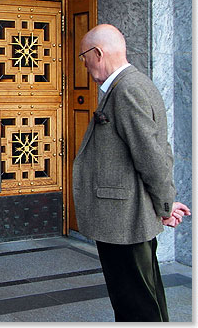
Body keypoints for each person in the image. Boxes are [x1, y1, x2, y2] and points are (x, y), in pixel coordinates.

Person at [72, 24, 190, 322]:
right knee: (142, 297)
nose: (83, 64)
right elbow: (154, 149)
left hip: (124, 219)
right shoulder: (133, 84)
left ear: (97, 53)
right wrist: (166, 203)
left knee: (135, 302)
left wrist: (165, 205)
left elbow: (150, 155)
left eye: (84, 56)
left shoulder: (126, 90)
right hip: (126, 215)